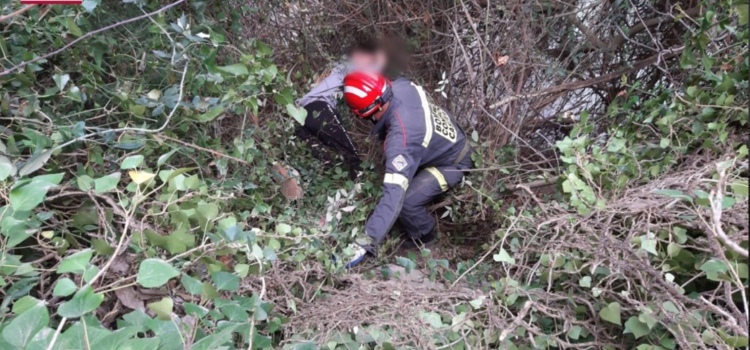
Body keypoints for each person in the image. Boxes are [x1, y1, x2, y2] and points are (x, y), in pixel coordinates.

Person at [341, 72, 472, 268]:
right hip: (446, 140)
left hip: (453, 163)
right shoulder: (401, 85)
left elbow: (393, 197)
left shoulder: (401, 141)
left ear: (367, 112)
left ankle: (426, 237)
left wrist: (365, 242)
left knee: (407, 202)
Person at [295, 46, 387, 180]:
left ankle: (329, 187)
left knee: (325, 160)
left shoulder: (333, 67)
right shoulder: (353, 66)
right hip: (318, 108)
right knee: (352, 156)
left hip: (298, 114)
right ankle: (358, 190)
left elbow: (318, 83)